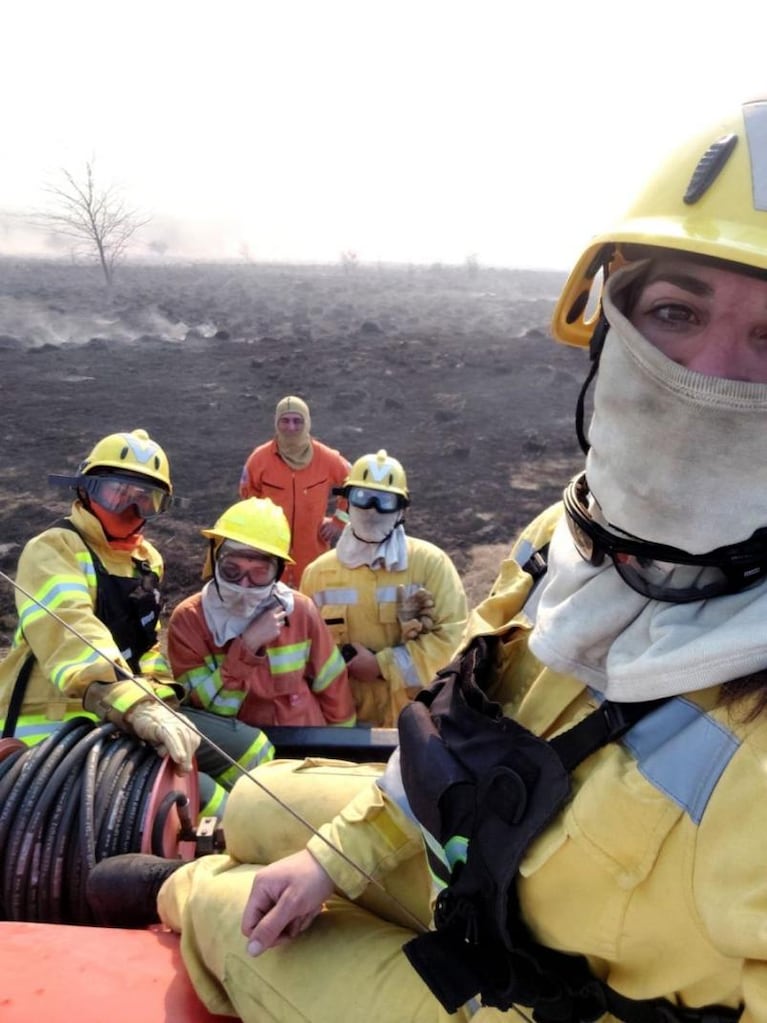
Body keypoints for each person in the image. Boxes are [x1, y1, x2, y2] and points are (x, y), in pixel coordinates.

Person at [88, 99, 767, 1023]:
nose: (710, 376)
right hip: (464, 828)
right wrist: (333, 857)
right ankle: (219, 837)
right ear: (610, 326)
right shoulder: (562, 541)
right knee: (260, 800)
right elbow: (462, 707)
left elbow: (424, 641)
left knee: (225, 916)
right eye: (674, 310)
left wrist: (370, 670)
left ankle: (183, 891)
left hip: (549, 991)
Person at [0, 429, 200, 775]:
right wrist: (133, 703)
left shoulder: (147, 560)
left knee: (190, 792)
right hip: (47, 724)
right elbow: (69, 628)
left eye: (145, 498)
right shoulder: (53, 548)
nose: (130, 508)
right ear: (85, 489)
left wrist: (160, 701)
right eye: (117, 493)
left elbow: (146, 645)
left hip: (119, 718)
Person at [300, 449, 468, 727]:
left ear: (401, 510)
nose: (371, 510)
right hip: (343, 723)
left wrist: (382, 666)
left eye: (385, 501)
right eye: (362, 498)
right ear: (347, 502)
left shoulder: (430, 564)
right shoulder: (318, 574)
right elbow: (306, 651)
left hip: (418, 721)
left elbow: (454, 640)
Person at [167, 497, 356, 731]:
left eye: (259, 573)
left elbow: (333, 687)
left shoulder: (300, 611)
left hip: (305, 740)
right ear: (214, 559)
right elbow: (206, 714)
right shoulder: (189, 621)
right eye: (232, 570)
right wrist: (247, 647)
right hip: (239, 754)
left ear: (278, 572)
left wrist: (344, 747)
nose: (244, 584)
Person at [238, 395, 351, 588]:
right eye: (285, 421)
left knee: (311, 602)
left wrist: (339, 521)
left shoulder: (327, 458)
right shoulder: (259, 459)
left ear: (307, 423)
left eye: (297, 421)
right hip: (270, 551)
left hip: (313, 552)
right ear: (276, 422)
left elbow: (354, 484)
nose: (291, 427)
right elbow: (247, 498)